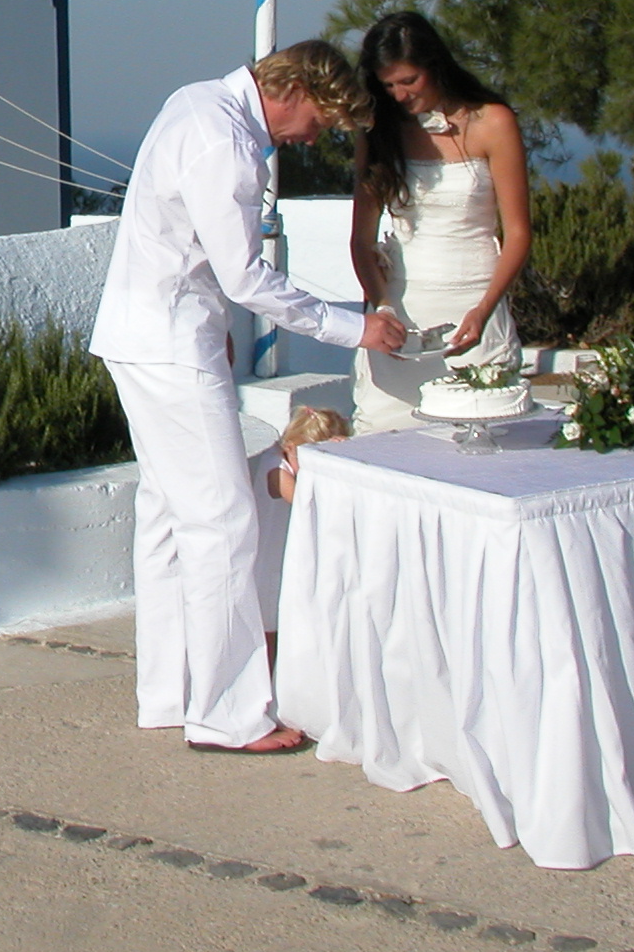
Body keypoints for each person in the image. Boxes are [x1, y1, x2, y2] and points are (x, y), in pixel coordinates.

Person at [90, 42, 405, 755]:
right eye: (320, 120)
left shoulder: (194, 99)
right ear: (289, 87)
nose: (313, 137)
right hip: (169, 343)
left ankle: (171, 695)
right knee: (225, 523)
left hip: (147, 333)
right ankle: (227, 714)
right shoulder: (228, 141)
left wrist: (215, 330)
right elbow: (246, 277)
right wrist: (354, 327)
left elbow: (181, 242)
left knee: (170, 517)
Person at [347, 12, 533, 435]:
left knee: (477, 440)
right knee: (382, 438)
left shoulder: (493, 122)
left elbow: (519, 232)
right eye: (388, 85)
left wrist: (484, 310)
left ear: (434, 66)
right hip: (403, 316)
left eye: (408, 81)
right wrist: (383, 308)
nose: (398, 95)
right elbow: (361, 239)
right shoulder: (378, 131)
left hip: (473, 306)